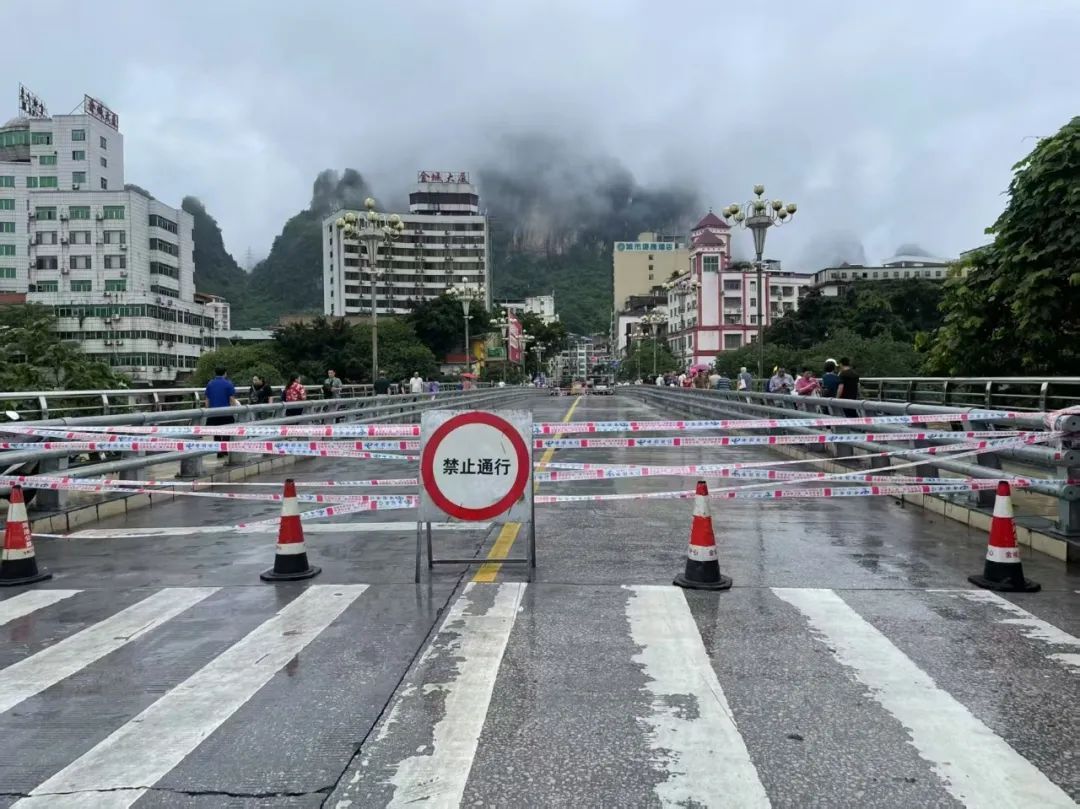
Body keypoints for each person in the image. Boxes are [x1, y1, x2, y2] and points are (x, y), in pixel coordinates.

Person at [204, 367, 239, 458]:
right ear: (225, 373)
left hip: (213, 412)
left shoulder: (210, 384)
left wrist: (207, 410)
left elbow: (207, 399)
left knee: (216, 432)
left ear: (215, 373)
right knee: (228, 430)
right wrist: (235, 409)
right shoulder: (228, 383)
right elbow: (231, 399)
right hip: (226, 412)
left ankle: (219, 451)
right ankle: (224, 449)